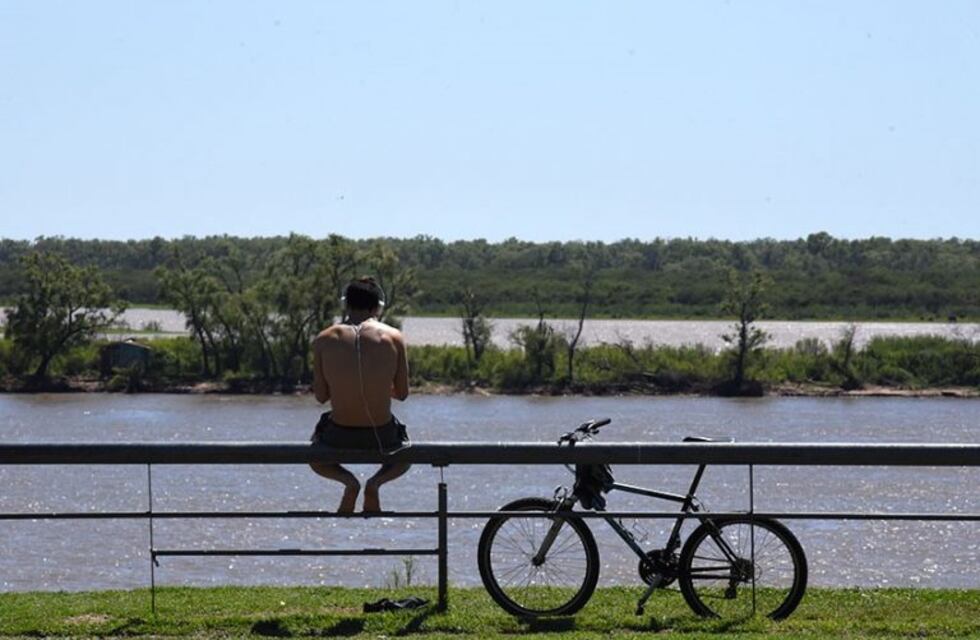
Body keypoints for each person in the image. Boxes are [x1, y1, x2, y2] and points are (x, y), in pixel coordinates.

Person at [309, 276, 411, 513]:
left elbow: (321, 396)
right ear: (378, 306)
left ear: (346, 304)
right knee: (406, 456)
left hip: (337, 435)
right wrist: (378, 385)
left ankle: (349, 482)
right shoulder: (394, 337)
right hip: (382, 435)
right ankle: (375, 483)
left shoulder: (324, 339)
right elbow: (403, 393)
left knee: (313, 456)